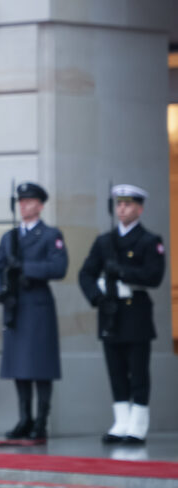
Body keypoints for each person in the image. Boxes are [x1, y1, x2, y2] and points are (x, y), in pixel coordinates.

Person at [78, 184, 165, 445]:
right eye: (119, 204)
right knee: (116, 371)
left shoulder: (150, 241)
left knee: (137, 372)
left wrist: (123, 272)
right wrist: (97, 296)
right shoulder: (104, 241)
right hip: (110, 312)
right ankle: (121, 422)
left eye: (128, 204)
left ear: (139, 208)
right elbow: (86, 273)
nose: (122, 209)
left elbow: (154, 275)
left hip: (135, 313)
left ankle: (138, 425)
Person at [0, 183, 67, 440]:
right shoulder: (10, 238)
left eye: (29, 201)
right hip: (15, 305)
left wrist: (27, 268)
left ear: (40, 206)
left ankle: (41, 420)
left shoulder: (50, 234)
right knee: (19, 366)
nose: (24, 205)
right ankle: (24, 418)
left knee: (40, 366)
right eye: (21, 201)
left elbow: (59, 267)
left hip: (38, 304)